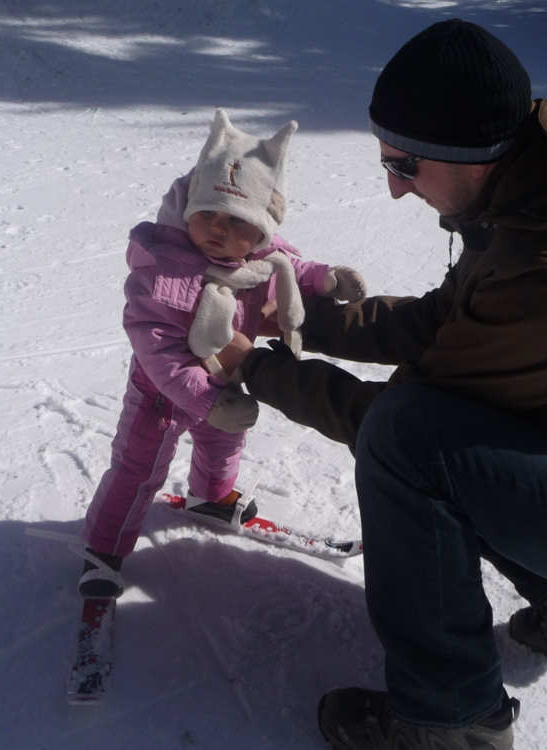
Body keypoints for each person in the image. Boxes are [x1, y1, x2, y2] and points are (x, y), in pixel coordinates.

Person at [215, 19, 547, 750]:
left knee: (409, 441)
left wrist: (257, 367)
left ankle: (450, 725)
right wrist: (307, 319)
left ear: (471, 156)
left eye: (406, 165)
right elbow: (444, 321)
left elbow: (400, 418)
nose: (393, 189)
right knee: (434, 429)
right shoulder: (534, 199)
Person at [77, 109, 366, 598]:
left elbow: (292, 265)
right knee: (137, 469)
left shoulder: (261, 258)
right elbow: (160, 351)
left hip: (227, 378)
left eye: (235, 221)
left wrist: (327, 279)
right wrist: (206, 400)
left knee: (224, 445)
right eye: (206, 213)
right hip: (162, 394)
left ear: (259, 232)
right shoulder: (164, 269)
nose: (216, 228)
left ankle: (210, 497)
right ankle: (103, 549)